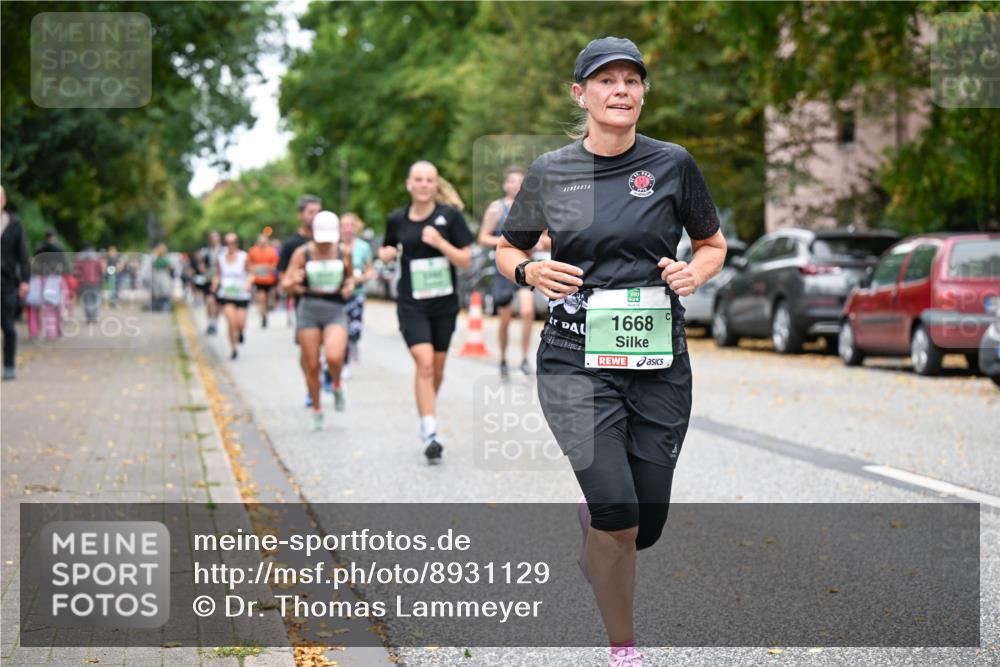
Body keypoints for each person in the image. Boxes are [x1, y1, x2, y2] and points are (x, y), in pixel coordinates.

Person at [495, 37, 728, 667]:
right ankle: (623, 648)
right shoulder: (551, 171)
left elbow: (711, 243)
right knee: (618, 511)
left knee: (642, 526)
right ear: (582, 94)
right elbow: (507, 248)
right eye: (606, 81)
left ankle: (598, 519)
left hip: (658, 363)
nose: (620, 90)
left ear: (643, 94)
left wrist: (694, 274)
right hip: (574, 360)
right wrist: (530, 274)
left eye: (631, 81)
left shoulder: (674, 164)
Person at [379, 161, 473, 463]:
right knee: (425, 363)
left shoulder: (450, 217)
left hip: (443, 305)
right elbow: (387, 248)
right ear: (409, 184)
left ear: (436, 185)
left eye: (429, 180)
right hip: (411, 304)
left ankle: (426, 410)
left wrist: (440, 243)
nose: (423, 185)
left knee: (438, 368)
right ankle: (430, 430)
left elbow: (466, 261)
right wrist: (386, 253)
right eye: (418, 179)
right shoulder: (396, 219)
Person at [282, 211, 353, 430]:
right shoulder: (302, 253)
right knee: (311, 364)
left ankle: (337, 384)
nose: (324, 244)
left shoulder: (343, 252)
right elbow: (286, 283)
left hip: (334, 309)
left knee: (334, 357)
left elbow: (350, 278)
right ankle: (317, 408)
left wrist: (349, 287)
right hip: (309, 309)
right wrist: (293, 281)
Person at [478, 166, 545, 379]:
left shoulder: (534, 207)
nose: (516, 186)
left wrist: (541, 243)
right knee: (505, 318)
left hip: (527, 267)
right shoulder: (496, 209)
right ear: (505, 185)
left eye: (521, 182)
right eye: (512, 181)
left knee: (527, 312)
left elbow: (548, 238)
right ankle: (504, 358)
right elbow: (482, 237)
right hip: (504, 268)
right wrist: (507, 243)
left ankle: (525, 358)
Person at [340, 212, 375, 379]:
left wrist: (360, 278)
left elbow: (370, 270)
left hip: (357, 294)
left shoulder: (363, 247)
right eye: (344, 226)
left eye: (350, 225)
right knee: (341, 331)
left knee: (355, 329)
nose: (347, 229)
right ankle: (344, 362)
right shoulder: (334, 246)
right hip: (338, 296)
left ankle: (354, 343)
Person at [1, 185, 30, 381]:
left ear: (4, 199)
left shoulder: (14, 223)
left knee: (8, 327)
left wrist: (25, 281)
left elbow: (23, 254)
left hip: (7, 283)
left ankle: (9, 365)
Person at [210, 233, 252, 360]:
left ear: (237, 243)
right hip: (227, 294)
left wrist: (248, 283)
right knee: (231, 322)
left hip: (241, 294)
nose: (231, 245)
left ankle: (241, 332)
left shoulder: (243, 257)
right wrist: (214, 284)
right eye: (228, 242)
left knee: (240, 324)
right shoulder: (221, 258)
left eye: (233, 242)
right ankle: (234, 349)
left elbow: (251, 273)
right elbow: (217, 274)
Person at [248, 233, 279, 328]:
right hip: (258, 279)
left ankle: (267, 311)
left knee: (268, 298)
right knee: (261, 298)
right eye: (260, 242)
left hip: (269, 279)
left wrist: (266, 267)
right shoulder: (252, 251)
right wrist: (255, 268)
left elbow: (275, 264)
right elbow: (249, 263)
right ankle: (263, 316)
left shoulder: (272, 251)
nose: (262, 244)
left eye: (264, 242)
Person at [199, 231, 224, 334]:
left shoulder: (224, 251)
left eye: (216, 238)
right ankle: (210, 322)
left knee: (218, 303)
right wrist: (204, 271)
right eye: (212, 238)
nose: (214, 240)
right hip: (209, 280)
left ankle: (215, 322)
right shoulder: (205, 251)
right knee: (209, 301)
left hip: (220, 280)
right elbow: (201, 264)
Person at [73, 246, 104, 323]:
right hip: (96, 281)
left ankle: (88, 316)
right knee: (96, 298)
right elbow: (101, 269)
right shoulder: (97, 258)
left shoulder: (79, 258)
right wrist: (101, 279)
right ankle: (94, 316)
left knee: (86, 299)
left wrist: (79, 279)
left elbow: (76, 271)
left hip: (84, 282)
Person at [150, 243, 173, 312]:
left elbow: (152, 268)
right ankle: (165, 310)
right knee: (165, 295)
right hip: (164, 277)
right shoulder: (166, 259)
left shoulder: (156, 259)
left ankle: (156, 310)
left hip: (156, 277)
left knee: (157, 295)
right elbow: (169, 268)